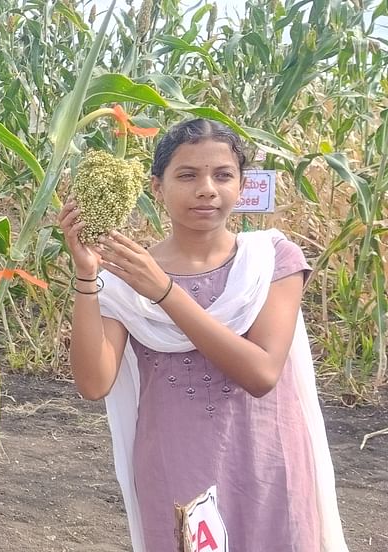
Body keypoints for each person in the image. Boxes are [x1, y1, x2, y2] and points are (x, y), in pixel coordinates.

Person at [58, 119, 346, 551]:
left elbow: (262, 373)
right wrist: (87, 275)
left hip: (268, 459)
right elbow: (94, 383)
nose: (207, 189)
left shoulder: (270, 259)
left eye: (223, 175)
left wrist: (165, 292)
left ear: (241, 184)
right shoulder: (129, 274)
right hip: (175, 462)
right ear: (157, 187)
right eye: (187, 175)